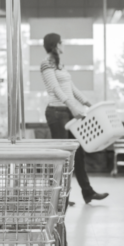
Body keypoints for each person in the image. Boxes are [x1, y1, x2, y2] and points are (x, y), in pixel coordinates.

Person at [41, 32, 108, 205]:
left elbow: (71, 88)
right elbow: (56, 89)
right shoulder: (46, 64)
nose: (63, 45)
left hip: (68, 112)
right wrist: (72, 106)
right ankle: (58, 198)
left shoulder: (60, 65)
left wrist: (88, 103)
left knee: (78, 155)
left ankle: (88, 192)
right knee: (61, 157)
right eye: (61, 42)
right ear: (56, 45)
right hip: (56, 113)